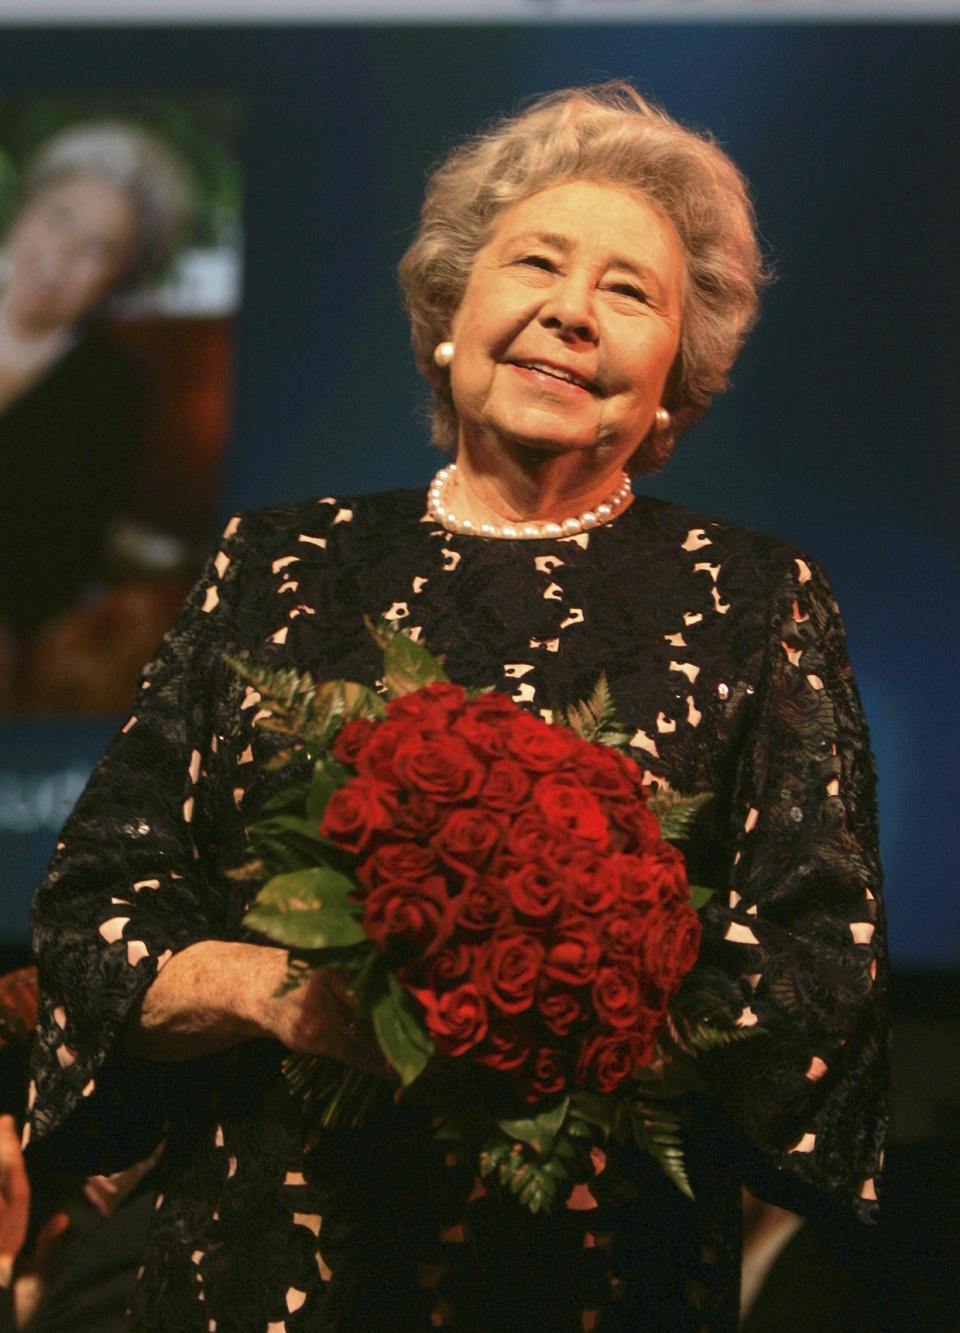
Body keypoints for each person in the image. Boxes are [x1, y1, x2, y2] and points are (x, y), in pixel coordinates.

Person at [27, 84, 887, 1331]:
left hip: (593, 1278)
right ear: (450, 310)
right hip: (257, 1263)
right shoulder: (278, 560)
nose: (570, 311)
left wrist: (556, 994)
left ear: (675, 380)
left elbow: (819, 985)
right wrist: (283, 991)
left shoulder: (758, 597)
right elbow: (96, 912)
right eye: (535, 260)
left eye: (631, 291)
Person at [0, 120, 194, 710]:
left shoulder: (111, 388)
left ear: (122, 276)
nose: (57, 258)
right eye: (57, 217)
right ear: (25, 210)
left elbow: (61, 554)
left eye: (97, 249)